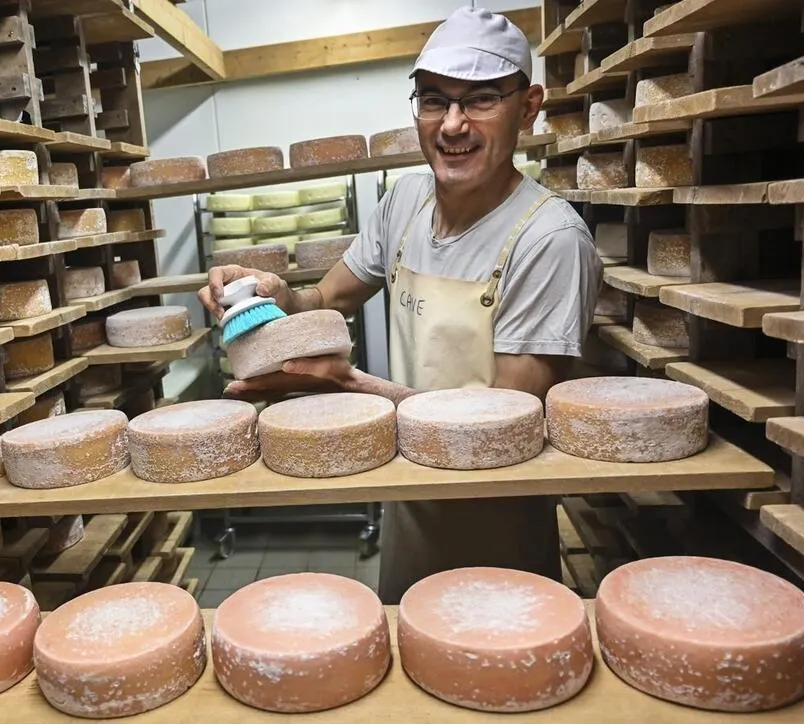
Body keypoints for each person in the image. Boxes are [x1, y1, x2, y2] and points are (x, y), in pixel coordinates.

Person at [198, 5, 603, 604]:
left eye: (481, 100)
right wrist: (278, 295)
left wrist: (352, 386)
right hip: (410, 501)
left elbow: (507, 422)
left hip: (495, 515)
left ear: (528, 107)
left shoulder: (550, 240)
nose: (452, 125)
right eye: (434, 101)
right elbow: (323, 298)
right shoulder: (405, 201)